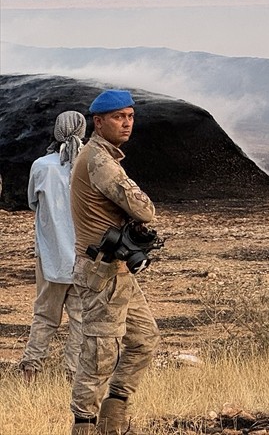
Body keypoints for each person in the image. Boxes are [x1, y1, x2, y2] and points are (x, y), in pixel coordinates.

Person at [69, 90, 160, 435]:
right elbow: (145, 209)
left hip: (116, 272)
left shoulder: (101, 157)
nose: (126, 123)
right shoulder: (101, 162)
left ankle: (113, 419)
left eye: (131, 116)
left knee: (144, 339)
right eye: (118, 117)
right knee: (99, 356)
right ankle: (85, 425)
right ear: (98, 121)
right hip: (101, 273)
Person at [19, 110, 86, 382]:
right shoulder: (88, 165)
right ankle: (72, 375)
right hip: (84, 256)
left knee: (45, 316)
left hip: (49, 255)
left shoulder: (41, 166)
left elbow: (33, 203)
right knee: (81, 320)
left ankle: (30, 372)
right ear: (82, 131)